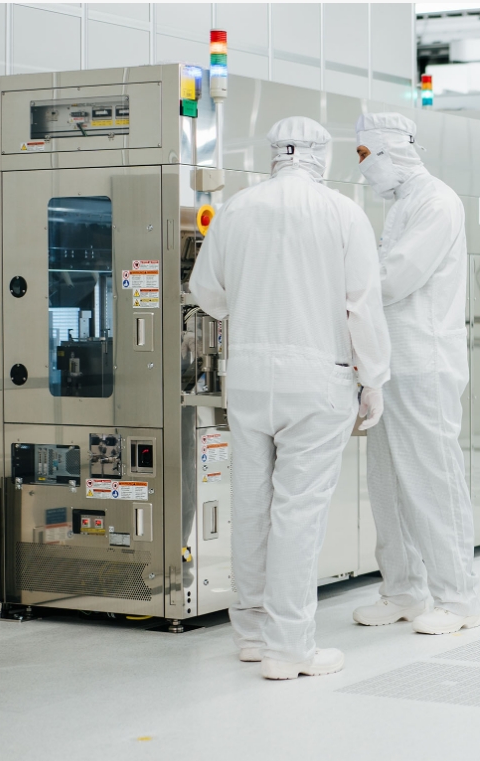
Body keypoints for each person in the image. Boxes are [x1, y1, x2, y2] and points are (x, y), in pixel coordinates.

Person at [190, 116, 391, 679]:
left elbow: (205, 292)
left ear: (274, 153)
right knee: (298, 511)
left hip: (248, 377)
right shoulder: (343, 213)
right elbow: (362, 305)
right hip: (317, 379)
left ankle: (253, 634)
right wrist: (374, 377)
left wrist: (247, 306)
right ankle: (289, 647)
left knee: (251, 506)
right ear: (321, 155)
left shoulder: (237, 208)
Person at [350, 112, 480, 635]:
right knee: (387, 484)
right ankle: (403, 591)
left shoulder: (437, 202)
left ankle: (458, 598)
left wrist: (338, 288)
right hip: (388, 365)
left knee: (433, 480)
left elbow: (395, 277)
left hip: (424, 362)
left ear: (390, 150)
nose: (363, 168)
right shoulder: (402, 205)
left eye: (365, 156)